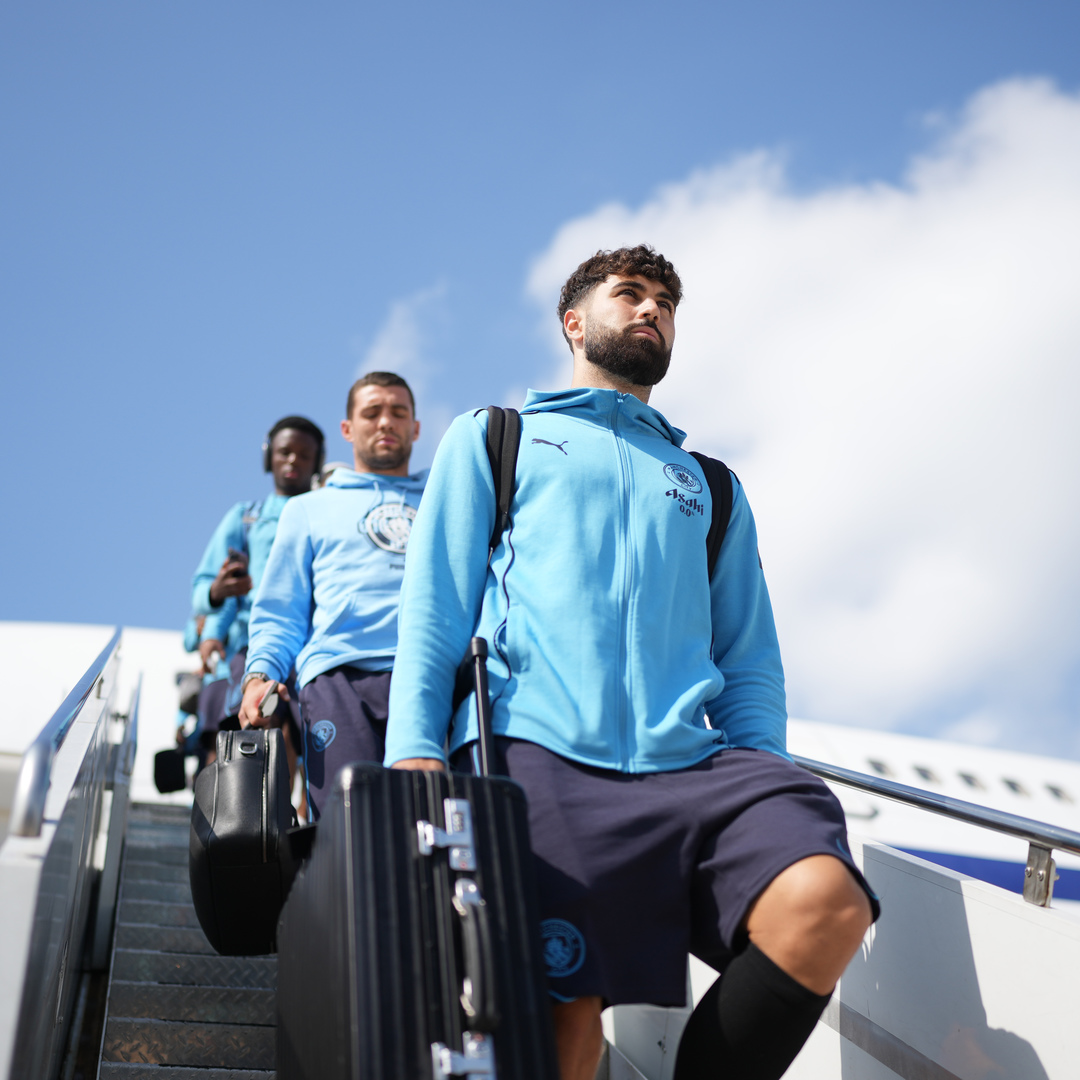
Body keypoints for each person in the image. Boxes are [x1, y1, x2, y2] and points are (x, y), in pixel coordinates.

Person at [383, 246, 879, 1080]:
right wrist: (414, 749)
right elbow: (435, 606)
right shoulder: (499, 437)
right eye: (629, 294)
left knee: (825, 900)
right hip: (536, 757)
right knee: (567, 1036)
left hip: (694, 766)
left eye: (665, 302)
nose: (651, 310)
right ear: (575, 322)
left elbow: (749, 655)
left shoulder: (707, 484)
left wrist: (759, 761)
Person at [238, 372, 428, 820]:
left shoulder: (446, 498)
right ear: (348, 429)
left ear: (416, 428)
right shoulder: (306, 508)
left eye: (398, 413)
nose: (386, 422)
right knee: (348, 831)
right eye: (372, 413)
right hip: (337, 679)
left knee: (436, 827)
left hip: (433, 676)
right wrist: (258, 675)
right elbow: (281, 611)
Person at [190, 416, 325, 736]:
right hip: (255, 644)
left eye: (305, 455)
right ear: (269, 457)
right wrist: (216, 595)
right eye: (284, 452)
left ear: (317, 462)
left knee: (316, 736)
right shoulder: (247, 518)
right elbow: (202, 590)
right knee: (263, 726)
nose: (294, 460)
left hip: (316, 647)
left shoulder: (326, 512)